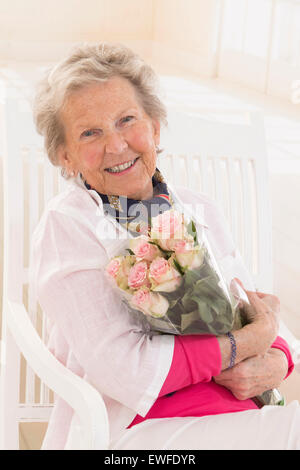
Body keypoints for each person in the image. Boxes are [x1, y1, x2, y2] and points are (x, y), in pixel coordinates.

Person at [30, 42, 299, 450]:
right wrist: (244, 345)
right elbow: (127, 372)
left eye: (126, 120)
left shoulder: (198, 208)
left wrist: (278, 358)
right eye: (90, 132)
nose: (117, 145)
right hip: (141, 433)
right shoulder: (68, 225)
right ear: (65, 156)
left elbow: (257, 313)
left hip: (238, 415)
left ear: (155, 127)